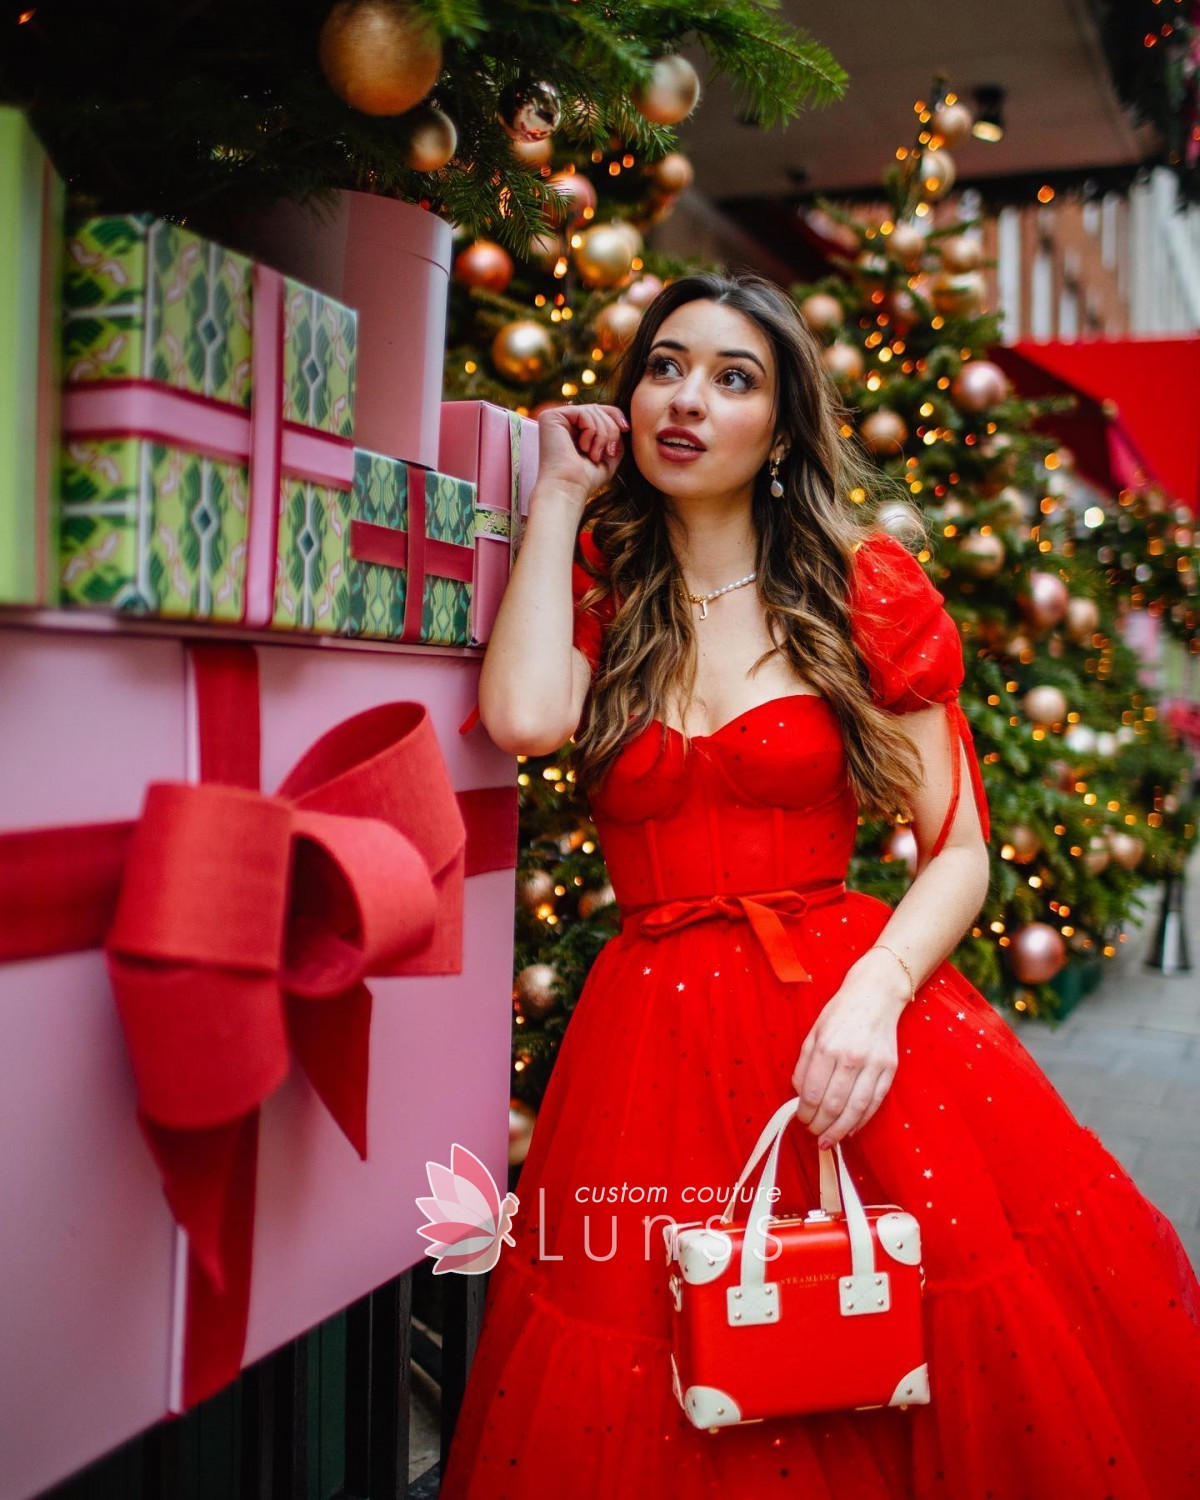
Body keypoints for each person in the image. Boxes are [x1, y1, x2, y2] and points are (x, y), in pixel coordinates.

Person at [439, 272, 1200, 1499]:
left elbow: (959, 848)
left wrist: (875, 994)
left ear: (784, 430)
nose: (686, 400)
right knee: (664, 1366)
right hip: (649, 1045)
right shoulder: (602, 581)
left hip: (846, 1025)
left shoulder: (863, 592)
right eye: (665, 366)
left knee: (889, 1337)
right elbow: (526, 716)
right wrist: (564, 491)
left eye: (733, 379)